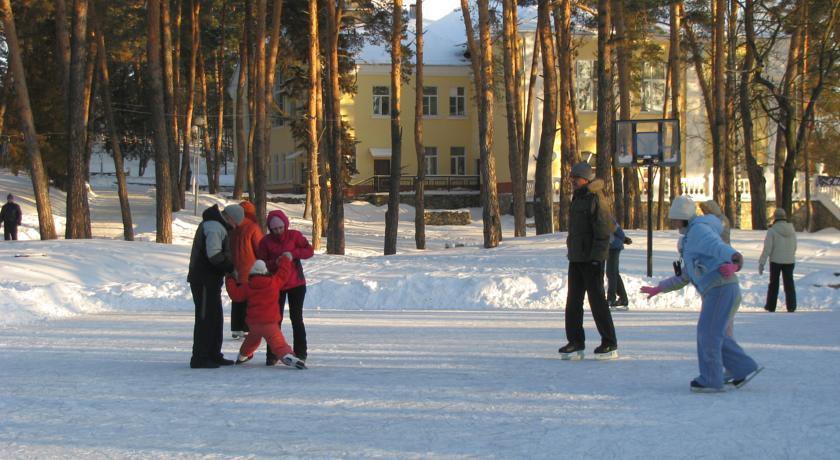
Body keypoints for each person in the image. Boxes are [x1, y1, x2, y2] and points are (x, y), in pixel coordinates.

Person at [640, 195, 762, 392]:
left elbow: (718, 247)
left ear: (683, 218)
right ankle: (742, 368)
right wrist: (659, 288)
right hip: (719, 289)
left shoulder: (698, 231)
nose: (674, 223)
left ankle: (712, 379)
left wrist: (734, 259)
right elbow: (685, 277)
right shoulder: (690, 239)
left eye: (675, 219)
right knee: (714, 333)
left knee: (709, 334)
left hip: (721, 287)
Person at [558, 162, 618, 361]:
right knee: (573, 301)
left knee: (597, 301)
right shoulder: (578, 197)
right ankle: (575, 341)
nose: (572, 181)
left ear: (585, 178)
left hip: (592, 259)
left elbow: (603, 230)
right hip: (576, 257)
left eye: (575, 177)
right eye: (571, 177)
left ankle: (609, 342)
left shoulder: (596, 198)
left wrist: (597, 258)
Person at [187, 203, 244, 369]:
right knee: (206, 318)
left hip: (210, 279)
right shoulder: (213, 227)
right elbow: (214, 255)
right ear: (230, 218)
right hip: (204, 279)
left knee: (216, 317)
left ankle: (213, 354)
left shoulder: (216, 225)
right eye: (235, 224)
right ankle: (200, 357)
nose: (234, 227)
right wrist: (230, 268)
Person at [225, 258, 307, 370]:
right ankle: (288, 357)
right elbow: (284, 274)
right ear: (265, 271)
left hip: (254, 325)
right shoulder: (273, 282)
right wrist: (285, 260)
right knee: (279, 345)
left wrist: (230, 279)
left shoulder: (248, 286)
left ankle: (242, 356)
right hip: (270, 324)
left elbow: (235, 295)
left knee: (251, 341)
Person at [257, 209, 314, 365]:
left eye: (280, 228)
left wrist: (293, 254)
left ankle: (301, 352)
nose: (278, 231)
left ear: (285, 225)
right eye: (274, 229)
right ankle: (273, 354)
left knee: (296, 318)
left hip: (297, 284)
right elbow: (261, 262)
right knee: (275, 320)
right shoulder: (266, 242)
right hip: (276, 285)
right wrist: (274, 263)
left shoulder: (294, 236)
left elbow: (309, 251)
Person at [229, 201, 263, 339]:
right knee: (249, 300)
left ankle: (236, 328)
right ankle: (247, 327)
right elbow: (259, 248)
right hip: (250, 270)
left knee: (237, 299)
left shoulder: (231, 227)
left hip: (234, 269)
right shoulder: (253, 227)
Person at [759, 208, 797, 313]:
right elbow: (795, 246)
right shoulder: (792, 230)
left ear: (775, 218)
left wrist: (762, 262)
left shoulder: (772, 230)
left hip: (776, 261)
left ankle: (771, 306)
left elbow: (767, 248)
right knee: (789, 283)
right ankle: (792, 306)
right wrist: (790, 255)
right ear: (785, 217)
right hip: (789, 261)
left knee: (774, 284)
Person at [607, 217, 631, 310]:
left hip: (614, 246)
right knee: (613, 273)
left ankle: (611, 299)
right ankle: (623, 299)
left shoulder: (605, 217)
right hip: (609, 246)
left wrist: (624, 239)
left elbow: (619, 231)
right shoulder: (598, 216)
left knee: (611, 273)